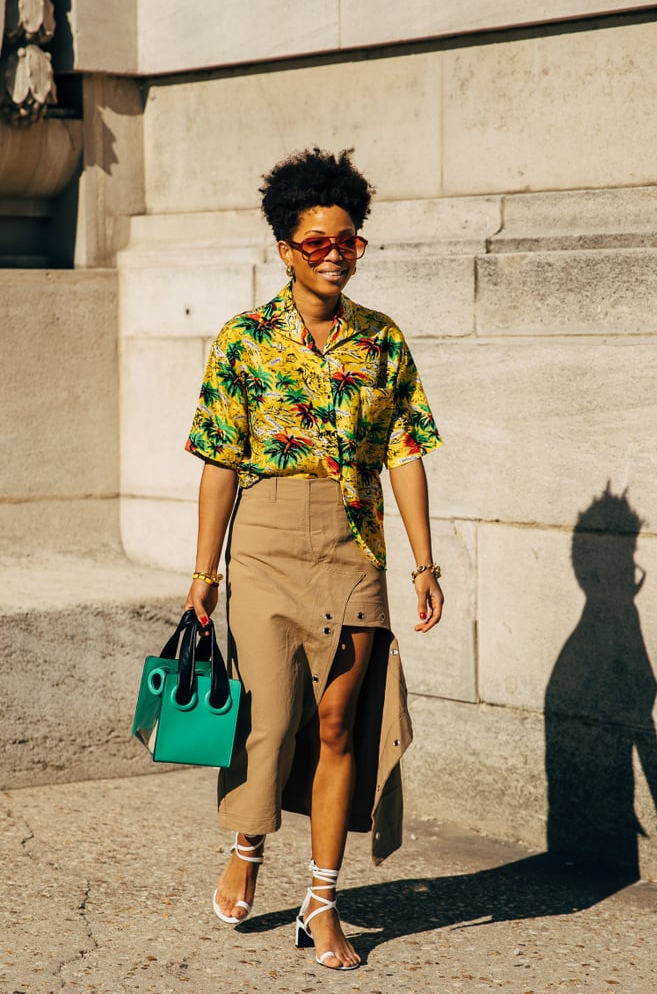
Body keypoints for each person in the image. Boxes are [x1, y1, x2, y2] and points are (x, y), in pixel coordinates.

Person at [184, 147, 443, 971]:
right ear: (285, 248)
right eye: (318, 242)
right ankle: (249, 843)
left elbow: (405, 451)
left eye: (349, 241)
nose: (336, 254)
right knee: (271, 720)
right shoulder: (245, 340)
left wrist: (424, 564)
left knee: (339, 725)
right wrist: (204, 572)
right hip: (262, 542)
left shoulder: (382, 341)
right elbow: (220, 456)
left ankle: (322, 904)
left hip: (353, 541)